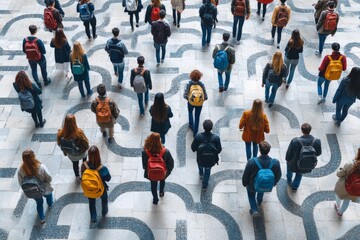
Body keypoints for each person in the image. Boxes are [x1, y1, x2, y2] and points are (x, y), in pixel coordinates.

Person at [242, 141, 281, 217]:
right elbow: (278, 175)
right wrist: (274, 183)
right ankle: (259, 201)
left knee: (251, 194)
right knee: (262, 187)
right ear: (269, 151)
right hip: (265, 184)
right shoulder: (275, 162)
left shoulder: (252, 161)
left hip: (252, 184)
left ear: (259, 150)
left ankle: (254, 209)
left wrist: (244, 183)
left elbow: (246, 174)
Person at [17, 149, 53, 224]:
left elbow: (21, 182)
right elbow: (49, 177)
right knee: (49, 196)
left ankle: (42, 218)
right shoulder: (41, 167)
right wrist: (47, 182)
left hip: (33, 190)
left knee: (39, 203)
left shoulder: (21, 169)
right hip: (45, 187)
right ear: (33, 157)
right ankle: (50, 204)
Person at [285, 123, 322, 191]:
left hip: (293, 162)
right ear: (310, 130)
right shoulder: (317, 141)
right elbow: (318, 153)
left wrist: (287, 159)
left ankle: (289, 180)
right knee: (299, 174)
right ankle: (295, 187)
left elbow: (289, 152)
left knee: (289, 171)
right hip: (304, 163)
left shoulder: (295, 141)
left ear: (302, 131)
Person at [142, 133, 174, 204]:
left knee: (153, 185)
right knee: (162, 180)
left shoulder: (145, 152)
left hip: (151, 173)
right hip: (163, 172)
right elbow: (171, 164)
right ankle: (161, 192)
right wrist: (167, 171)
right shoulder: (165, 152)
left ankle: (155, 199)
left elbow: (144, 166)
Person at [81, 145, 111, 223]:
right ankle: (104, 211)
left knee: (91, 202)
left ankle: (93, 217)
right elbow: (108, 178)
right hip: (101, 188)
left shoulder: (84, 165)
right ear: (98, 155)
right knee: (104, 199)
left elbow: (82, 176)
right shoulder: (102, 168)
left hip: (90, 189)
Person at [191, 119, 222, 190]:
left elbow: (193, 148)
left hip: (200, 158)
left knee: (200, 165)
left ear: (203, 127)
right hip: (210, 160)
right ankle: (204, 185)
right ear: (212, 128)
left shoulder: (198, 136)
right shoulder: (216, 138)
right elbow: (219, 150)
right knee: (207, 172)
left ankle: (201, 173)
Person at [57, 114, 90, 180]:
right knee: (84, 162)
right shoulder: (79, 132)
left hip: (71, 154)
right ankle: (84, 173)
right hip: (82, 153)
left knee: (75, 164)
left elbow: (59, 143)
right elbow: (85, 143)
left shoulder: (61, 133)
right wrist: (87, 147)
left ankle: (77, 176)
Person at [22, 25, 51, 89]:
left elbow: (24, 50)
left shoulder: (25, 40)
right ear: (35, 31)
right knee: (43, 69)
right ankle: (46, 81)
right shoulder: (38, 40)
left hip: (31, 58)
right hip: (40, 58)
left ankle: (38, 83)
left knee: (34, 70)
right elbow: (44, 51)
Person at [334, 148, 360, 216]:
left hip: (344, 186)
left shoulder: (350, 165)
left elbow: (339, 174)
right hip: (354, 189)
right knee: (347, 201)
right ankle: (340, 212)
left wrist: (339, 171)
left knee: (339, 196)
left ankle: (337, 205)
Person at [183, 70, 208, 136]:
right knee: (197, 117)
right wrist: (203, 99)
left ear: (191, 77)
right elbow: (205, 95)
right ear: (199, 77)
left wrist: (188, 99)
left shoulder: (189, 84)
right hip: (199, 103)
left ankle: (191, 125)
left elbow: (185, 94)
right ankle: (195, 132)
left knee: (190, 112)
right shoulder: (201, 84)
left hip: (191, 102)